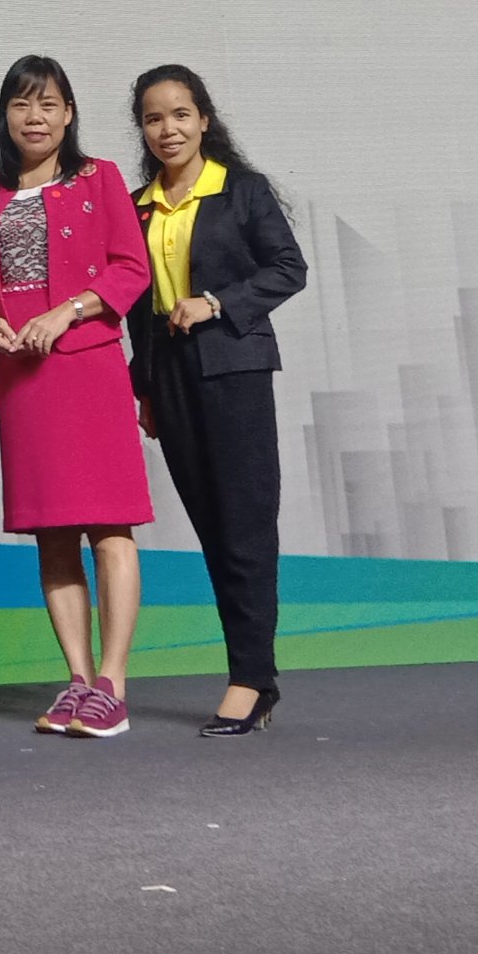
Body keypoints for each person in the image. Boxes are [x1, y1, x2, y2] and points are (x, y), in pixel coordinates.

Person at [0, 53, 152, 739]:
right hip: (22, 379)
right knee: (53, 532)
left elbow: (132, 268)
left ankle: (112, 684)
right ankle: (77, 679)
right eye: (21, 104)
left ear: (68, 114)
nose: (34, 117)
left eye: (48, 104)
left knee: (110, 526)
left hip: (88, 371)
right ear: (5, 117)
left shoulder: (99, 178)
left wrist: (67, 312)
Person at [127, 65, 307, 736]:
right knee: (212, 530)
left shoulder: (241, 191)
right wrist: (144, 385)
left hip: (233, 371)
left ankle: (251, 679)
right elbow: (138, 307)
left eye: (180, 114)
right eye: (153, 118)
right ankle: (253, 674)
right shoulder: (137, 204)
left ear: (204, 119)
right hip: (170, 380)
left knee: (245, 527)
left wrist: (217, 302)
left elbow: (288, 268)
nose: (168, 129)